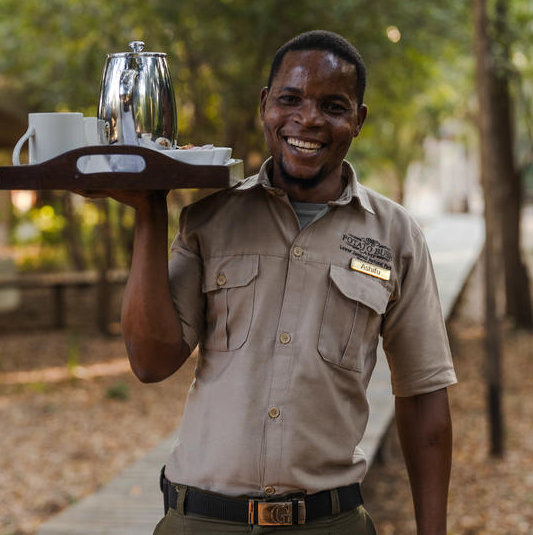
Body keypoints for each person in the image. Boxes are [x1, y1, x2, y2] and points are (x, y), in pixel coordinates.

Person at [107, 30, 456, 534]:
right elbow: (150, 360)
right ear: (265, 106)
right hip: (202, 520)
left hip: (329, 522)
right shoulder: (210, 219)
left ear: (358, 120)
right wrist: (148, 210)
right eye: (291, 99)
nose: (309, 119)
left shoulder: (396, 237)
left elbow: (425, 400)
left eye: (333, 106)